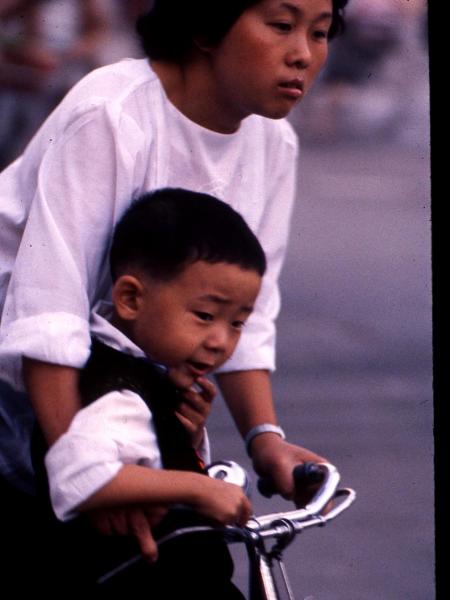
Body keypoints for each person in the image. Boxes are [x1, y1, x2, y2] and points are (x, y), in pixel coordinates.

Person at [0, 0, 348, 564]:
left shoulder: (274, 144)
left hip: (121, 394)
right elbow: (48, 314)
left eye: (322, 32)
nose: (303, 55)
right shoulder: (113, 113)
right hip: (26, 396)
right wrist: (92, 477)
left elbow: (247, 312)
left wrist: (266, 440)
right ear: (208, 26)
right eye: (282, 27)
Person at [30, 188, 264, 595]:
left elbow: (142, 457)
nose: (220, 340)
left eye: (237, 323)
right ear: (130, 298)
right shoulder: (119, 389)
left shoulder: (145, 376)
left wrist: (183, 431)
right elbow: (77, 475)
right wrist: (201, 487)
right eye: (205, 316)